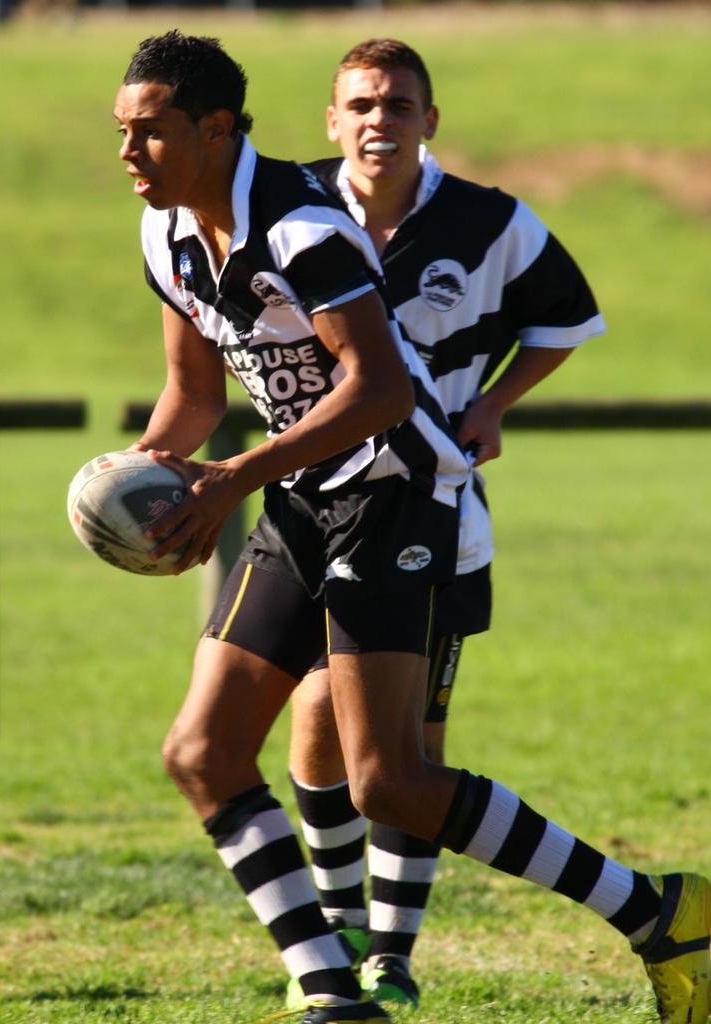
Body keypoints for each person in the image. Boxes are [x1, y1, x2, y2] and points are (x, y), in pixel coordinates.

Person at [113, 30, 710, 1024]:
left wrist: (235, 477)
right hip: (304, 493)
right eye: (122, 133)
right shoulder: (166, 231)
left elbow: (383, 390)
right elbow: (189, 391)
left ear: (216, 131)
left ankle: (661, 911)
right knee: (203, 753)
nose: (130, 153)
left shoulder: (302, 230)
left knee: (389, 780)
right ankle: (330, 990)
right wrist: (147, 481)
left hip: (397, 491)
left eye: (151, 133)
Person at [284, 38, 603, 1010]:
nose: (381, 120)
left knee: (409, 748)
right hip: (305, 506)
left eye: (400, 105)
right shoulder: (289, 206)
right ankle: (340, 925)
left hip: (432, 510)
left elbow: (569, 319)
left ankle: (391, 955)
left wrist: (496, 404)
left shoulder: (489, 221)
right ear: (333, 120)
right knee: (313, 718)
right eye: (362, 105)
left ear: (431, 120)